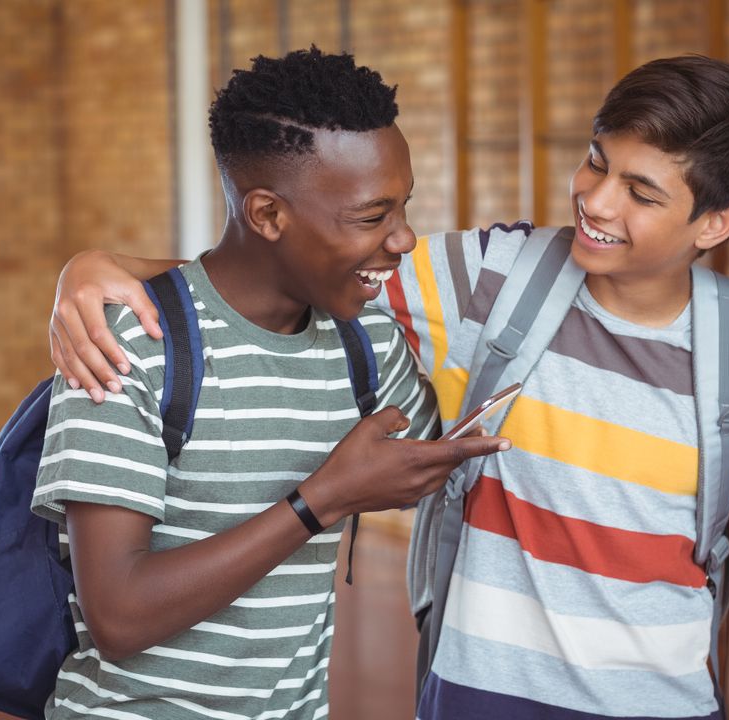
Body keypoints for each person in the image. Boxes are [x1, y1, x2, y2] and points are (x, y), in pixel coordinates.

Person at [51, 55, 729, 720]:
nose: (598, 200)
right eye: (596, 161)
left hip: (662, 705)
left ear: (716, 223)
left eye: (641, 193)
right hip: (478, 695)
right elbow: (286, 258)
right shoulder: (491, 277)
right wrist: (94, 267)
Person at [32, 47, 509, 720]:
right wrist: (321, 501)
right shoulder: (128, 344)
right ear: (267, 215)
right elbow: (121, 615)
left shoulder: (365, 342)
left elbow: (422, 466)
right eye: (374, 216)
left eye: (403, 209)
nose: (403, 241)